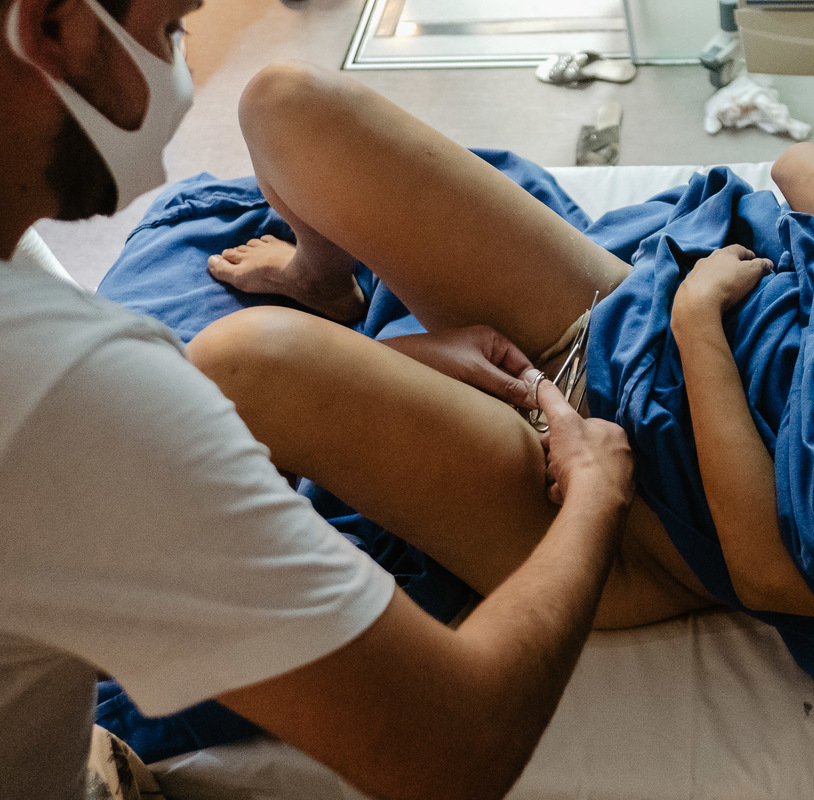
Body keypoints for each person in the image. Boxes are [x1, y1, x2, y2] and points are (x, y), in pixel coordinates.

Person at [190, 60, 814, 670]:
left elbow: (773, 573)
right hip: (612, 315)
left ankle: (371, 351)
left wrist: (704, 330)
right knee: (289, 102)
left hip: (620, 509)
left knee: (244, 359)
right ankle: (329, 283)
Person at [0, 2, 639, 799]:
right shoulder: (64, 389)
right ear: (51, 28)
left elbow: (71, 527)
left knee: (283, 127)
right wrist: (598, 501)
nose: (185, 58)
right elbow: (451, 745)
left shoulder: (40, 328)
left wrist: (376, 366)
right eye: (169, 30)